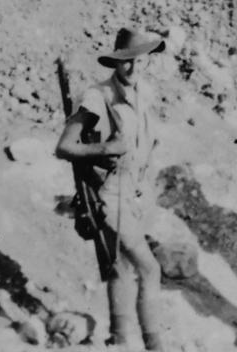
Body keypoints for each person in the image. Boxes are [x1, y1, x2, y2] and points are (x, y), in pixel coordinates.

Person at [55, 28, 166, 351]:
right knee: (149, 269)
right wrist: (104, 150)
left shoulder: (144, 93)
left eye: (140, 61)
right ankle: (154, 344)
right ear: (116, 61)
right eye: (127, 62)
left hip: (134, 195)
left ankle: (118, 339)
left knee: (119, 267)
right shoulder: (98, 97)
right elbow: (64, 147)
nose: (133, 68)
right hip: (108, 197)